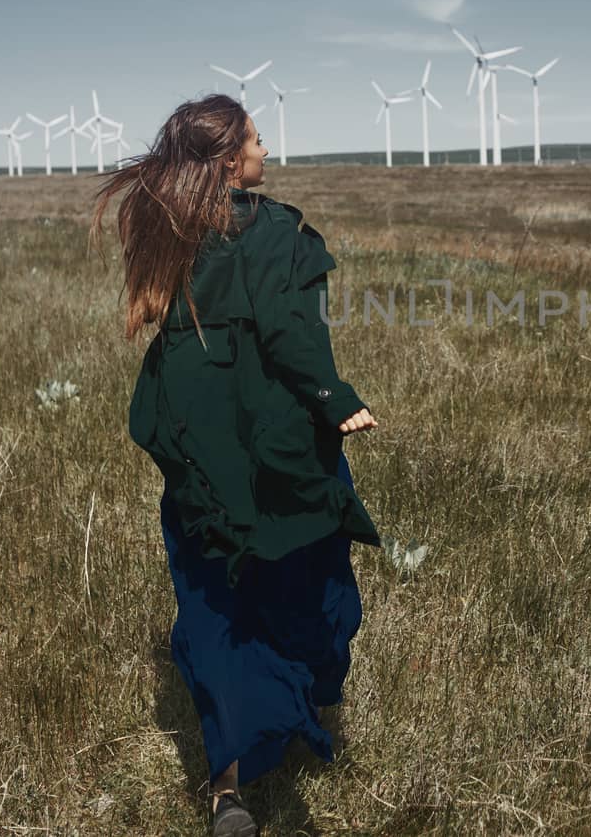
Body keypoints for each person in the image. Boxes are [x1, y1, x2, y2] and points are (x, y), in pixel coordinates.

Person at [89, 94, 380, 837]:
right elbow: (289, 334)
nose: (266, 144)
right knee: (306, 587)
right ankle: (286, 724)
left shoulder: (170, 232)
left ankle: (228, 790)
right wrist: (334, 397)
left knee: (217, 602)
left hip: (198, 437)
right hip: (274, 436)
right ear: (229, 161)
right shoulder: (277, 230)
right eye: (255, 136)